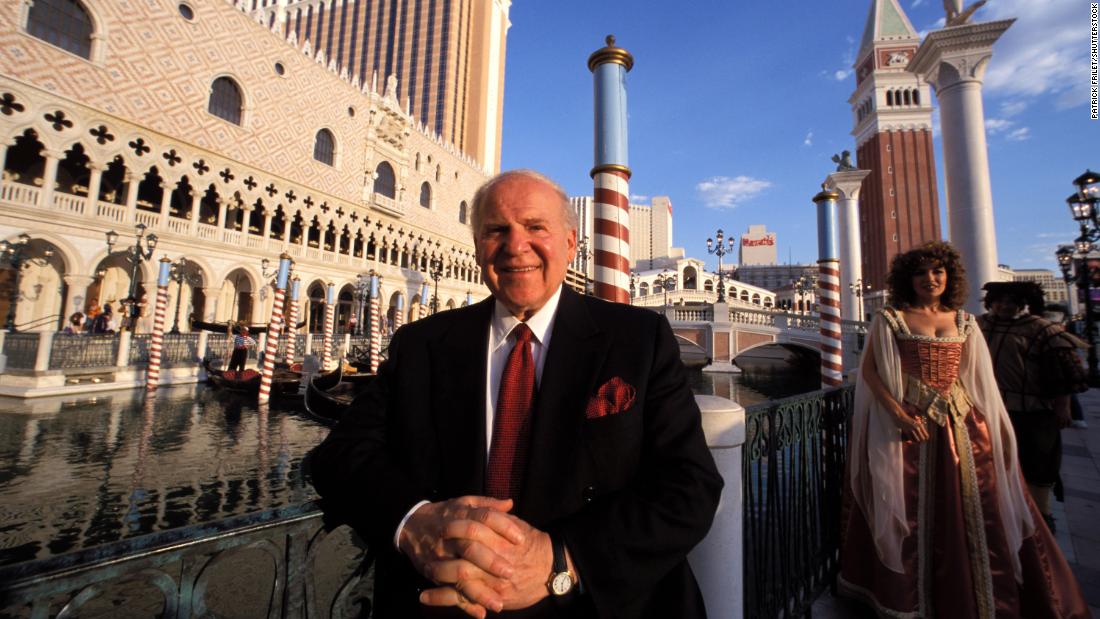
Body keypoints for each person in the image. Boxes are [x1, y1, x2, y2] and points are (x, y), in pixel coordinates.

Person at [308, 170, 723, 618]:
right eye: (496, 230)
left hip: (598, 604)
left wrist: (560, 560)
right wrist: (412, 521)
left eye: (534, 227)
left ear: (569, 243)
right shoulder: (421, 345)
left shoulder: (639, 339)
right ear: (478, 247)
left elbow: (690, 486)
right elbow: (340, 455)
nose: (515, 245)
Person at [838, 241, 1087, 618]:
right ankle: (911, 596)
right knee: (908, 508)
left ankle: (974, 593)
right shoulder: (892, 318)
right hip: (912, 424)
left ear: (949, 275)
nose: (930, 279)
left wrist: (997, 426)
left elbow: (978, 380)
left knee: (975, 504)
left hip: (963, 426)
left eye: (937, 271)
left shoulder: (965, 321)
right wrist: (898, 414)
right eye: (921, 273)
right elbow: (871, 372)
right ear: (908, 278)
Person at [977, 282, 1088, 532]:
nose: (1005, 306)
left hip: (1034, 411)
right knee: (994, 462)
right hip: (992, 409)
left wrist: (1063, 407)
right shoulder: (978, 325)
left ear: (1022, 303)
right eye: (999, 300)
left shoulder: (1042, 329)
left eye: (1011, 301)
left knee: (1039, 464)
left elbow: (1065, 373)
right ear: (990, 301)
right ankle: (998, 513)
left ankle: (1042, 517)